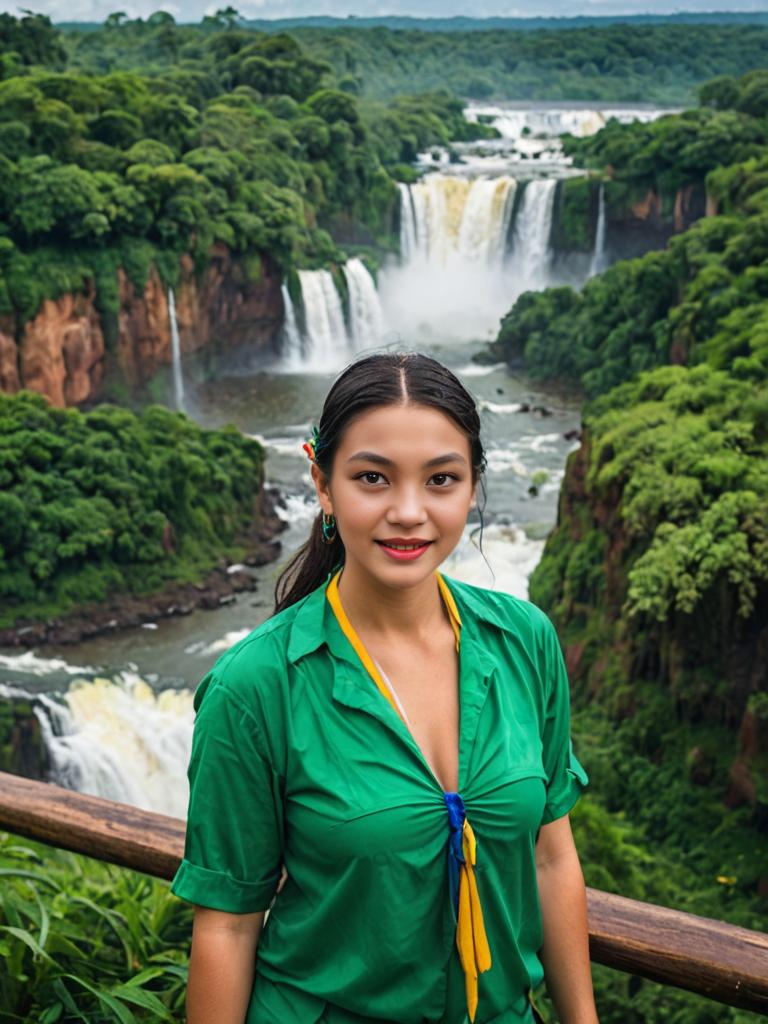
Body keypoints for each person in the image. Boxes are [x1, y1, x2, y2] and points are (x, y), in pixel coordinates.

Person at [171, 352, 598, 1024]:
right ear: (322, 481)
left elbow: (551, 856)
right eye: (373, 477)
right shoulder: (256, 687)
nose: (408, 512)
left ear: (472, 485)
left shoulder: (525, 642)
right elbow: (227, 927)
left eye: (441, 479)